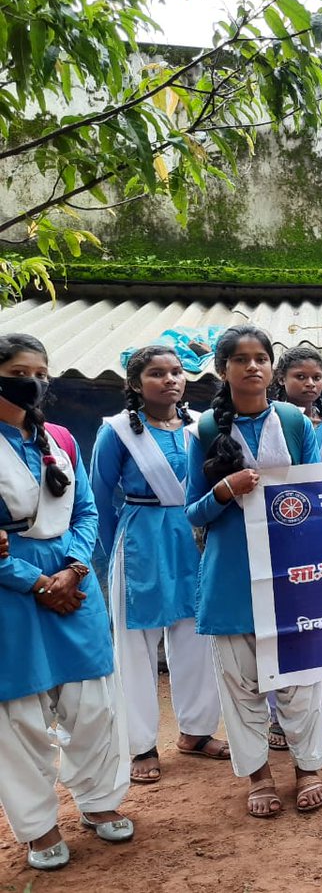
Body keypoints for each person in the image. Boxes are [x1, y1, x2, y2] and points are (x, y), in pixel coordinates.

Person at [0, 333, 134, 870]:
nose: (33, 381)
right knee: (20, 715)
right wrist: (34, 583)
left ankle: (99, 802)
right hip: (12, 594)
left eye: (41, 371)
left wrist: (75, 569)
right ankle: (38, 826)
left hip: (74, 585)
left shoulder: (60, 439)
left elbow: (86, 512)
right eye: (20, 370)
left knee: (93, 702)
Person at [185, 325, 322, 818]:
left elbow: (319, 495)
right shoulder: (204, 430)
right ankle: (259, 775)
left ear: (272, 367)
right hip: (231, 573)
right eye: (241, 359)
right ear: (223, 370)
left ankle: (308, 766)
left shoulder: (293, 421)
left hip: (292, 568)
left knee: (302, 675)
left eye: (262, 357)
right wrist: (225, 490)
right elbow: (193, 512)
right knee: (240, 681)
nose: (253, 366)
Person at [91, 345, 228, 786]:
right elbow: (99, 498)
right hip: (141, 539)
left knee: (195, 635)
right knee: (135, 645)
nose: (170, 380)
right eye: (157, 373)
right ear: (135, 383)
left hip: (193, 537)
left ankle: (196, 731)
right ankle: (140, 743)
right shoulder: (115, 432)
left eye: (176, 372)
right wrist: (117, 555)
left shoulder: (200, 426)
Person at [265, 346, 322, 750]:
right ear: (281, 379)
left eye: (316, 377)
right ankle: (278, 714)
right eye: (300, 377)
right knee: (282, 620)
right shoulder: (268, 423)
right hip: (279, 532)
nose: (310, 384)